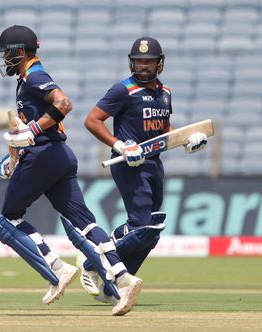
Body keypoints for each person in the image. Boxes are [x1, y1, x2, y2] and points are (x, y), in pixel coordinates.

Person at [0, 25, 143, 316]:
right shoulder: (26, 80)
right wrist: (15, 154)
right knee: (85, 224)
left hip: (44, 156)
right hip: (59, 155)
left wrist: (32, 131)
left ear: (19, 52)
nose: (5, 59)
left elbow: (63, 103)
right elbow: (31, 127)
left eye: (7, 53)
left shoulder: (35, 76)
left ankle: (56, 269)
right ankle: (124, 279)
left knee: (9, 218)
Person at [78, 37, 208, 303]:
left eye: (149, 61)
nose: (143, 66)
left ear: (159, 64)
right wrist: (121, 146)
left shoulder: (165, 93)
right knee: (141, 225)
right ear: (131, 62)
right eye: (139, 61)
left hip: (153, 164)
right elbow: (92, 121)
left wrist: (187, 140)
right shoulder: (122, 90)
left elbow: (164, 130)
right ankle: (93, 260)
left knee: (152, 231)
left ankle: (117, 283)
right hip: (129, 164)